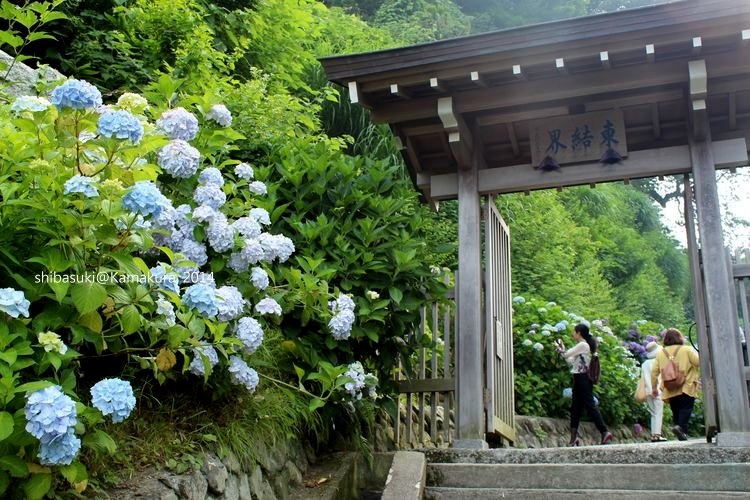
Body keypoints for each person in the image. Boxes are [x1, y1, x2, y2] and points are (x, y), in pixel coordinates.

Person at [555, 323, 614, 446]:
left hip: (583, 379)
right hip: (579, 378)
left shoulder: (583, 345)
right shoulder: (582, 346)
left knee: (589, 405)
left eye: (574, 332)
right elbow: (570, 361)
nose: (573, 334)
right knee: (575, 408)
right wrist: (562, 349)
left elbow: (566, 354)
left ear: (579, 333)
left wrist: (560, 348)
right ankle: (573, 438)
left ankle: (604, 431)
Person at [650, 328, 700, 441]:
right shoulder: (686, 350)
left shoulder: (661, 353)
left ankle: (682, 433)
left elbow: (654, 371)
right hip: (686, 385)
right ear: (679, 338)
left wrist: (654, 387)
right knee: (686, 407)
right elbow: (698, 362)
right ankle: (680, 427)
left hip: (670, 387)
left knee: (676, 410)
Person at [641, 341, 666, 441]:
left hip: (648, 391)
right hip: (657, 390)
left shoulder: (645, 363)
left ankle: (653, 434)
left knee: (652, 413)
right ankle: (657, 434)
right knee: (658, 412)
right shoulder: (658, 362)